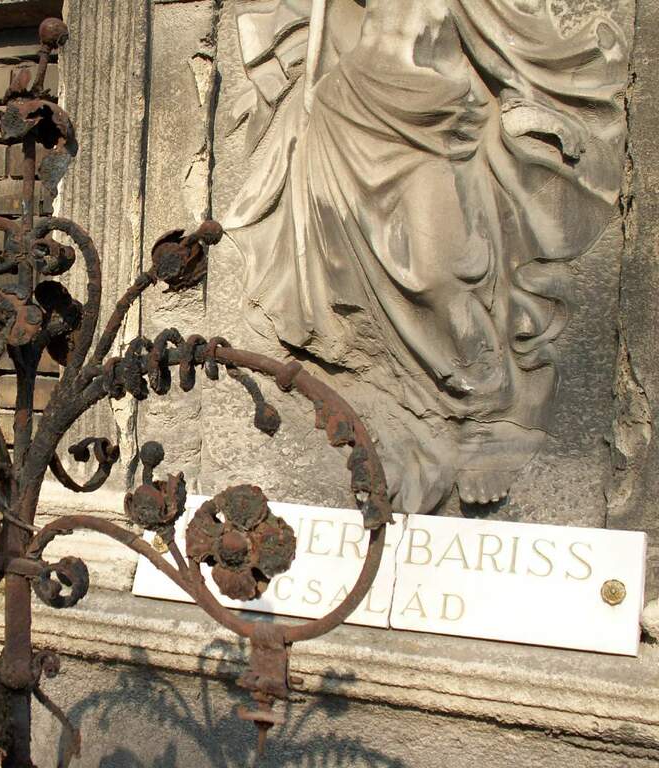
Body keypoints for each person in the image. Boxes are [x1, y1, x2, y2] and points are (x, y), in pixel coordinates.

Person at [226, 0, 627, 512]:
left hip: (429, 122)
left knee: (442, 276)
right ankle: (406, 409)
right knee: (349, 281)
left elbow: (502, 43)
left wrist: (521, 102)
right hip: (347, 112)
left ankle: (487, 407)